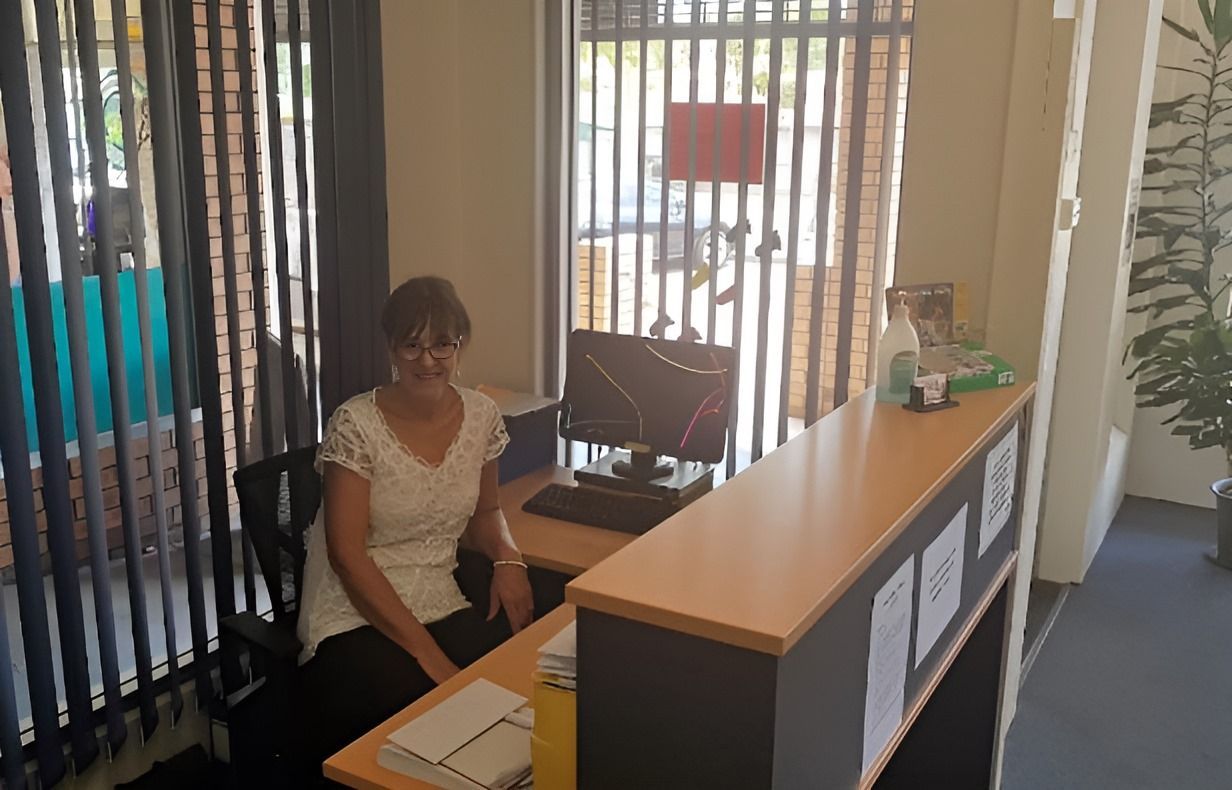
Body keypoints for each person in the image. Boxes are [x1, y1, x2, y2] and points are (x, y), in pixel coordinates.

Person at [295, 276, 534, 781]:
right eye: (413, 345)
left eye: (442, 344)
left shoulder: (482, 416)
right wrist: (431, 658)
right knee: (424, 717)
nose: (428, 360)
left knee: (517, 682)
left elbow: (486, 513)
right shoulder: (355, 424)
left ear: (459, 346)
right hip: (355, 613)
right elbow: (346, 555)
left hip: (440, 597)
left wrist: (509, 560)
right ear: (391, 348)